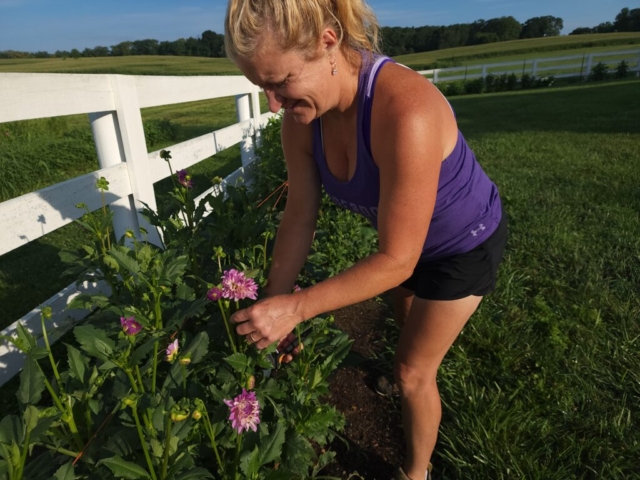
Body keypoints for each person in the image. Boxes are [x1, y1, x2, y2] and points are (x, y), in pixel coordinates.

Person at [225, 1, 506, 479]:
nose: (273, 104)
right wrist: (275, 300)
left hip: (464, 244)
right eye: (261, 88)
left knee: (413, 371)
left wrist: (298, 307)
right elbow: (299, 216)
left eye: (281, 82)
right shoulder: (301, 121)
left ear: (328, 42)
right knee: (405, 320)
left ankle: (416, 472)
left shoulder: (405, 110)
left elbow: (397, 259)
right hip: (400, 242)